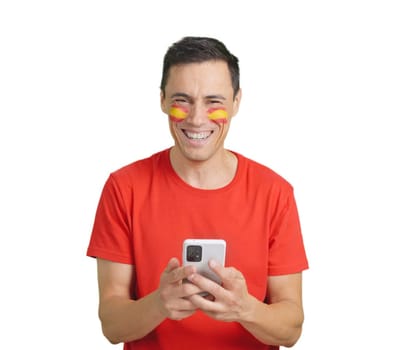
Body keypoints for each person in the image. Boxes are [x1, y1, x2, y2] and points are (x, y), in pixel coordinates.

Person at [86, 36, 309, 350]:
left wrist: (245, 309)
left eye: (213, 101)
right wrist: (159, 305)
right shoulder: (124, 188)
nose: (197, 118)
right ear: (162, 100)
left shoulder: (275, 193)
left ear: (236, 102)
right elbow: (111, 323)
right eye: (182, 99)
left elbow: (291, 330)